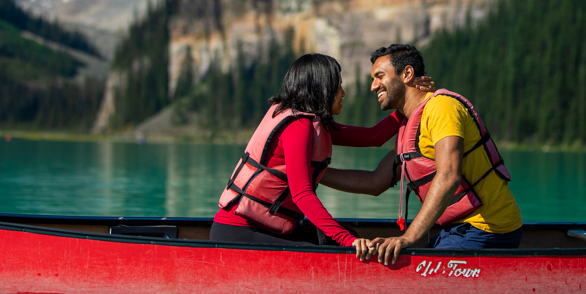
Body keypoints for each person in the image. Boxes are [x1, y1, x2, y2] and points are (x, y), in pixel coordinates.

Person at [211, 53, 434, 260]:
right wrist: (348, 241)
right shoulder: (298, 125)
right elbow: (302, 194)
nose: (343, 93)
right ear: (322, 89)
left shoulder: (314, 123)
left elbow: (373, 136)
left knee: (346, 235)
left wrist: (413, 100)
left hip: (266, 226)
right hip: (240, 231)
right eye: (338, 86)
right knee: (338, 247)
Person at [320, 44, 522, 265]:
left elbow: (449, 176)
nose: (373, 86)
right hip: (456, 231)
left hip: (487, 229)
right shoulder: (409, 126)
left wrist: (408, 237)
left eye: (380, 76)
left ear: (407, 74)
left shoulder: (442, 108)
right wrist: (317, 172)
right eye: (372, 79)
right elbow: (375, 181)